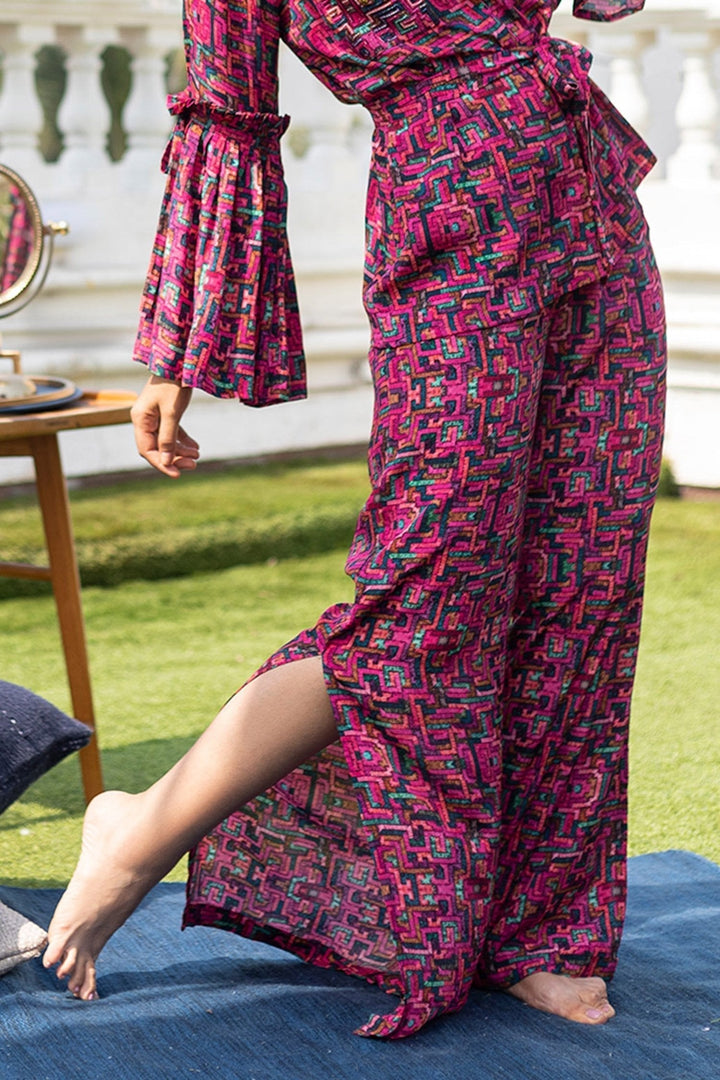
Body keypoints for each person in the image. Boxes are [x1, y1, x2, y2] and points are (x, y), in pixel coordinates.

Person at [43, 0, 666, 1039]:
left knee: (585, 585)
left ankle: (545, 930)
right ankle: (139, 830)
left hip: (592, 208)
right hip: (450, 232)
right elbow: (227, 107)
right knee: (425, 605)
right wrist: (177, 348)